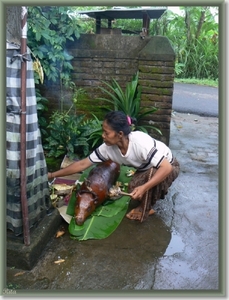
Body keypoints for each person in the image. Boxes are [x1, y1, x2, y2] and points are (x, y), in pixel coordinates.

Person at [48, 110, 180, 222]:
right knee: (133, 188)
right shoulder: (107, 148)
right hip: (146, 168)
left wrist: (145, 187)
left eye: (106, 133)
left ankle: (145, 209)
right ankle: (149, 192)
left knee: (147, 183)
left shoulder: (140, 142)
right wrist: (52, 175)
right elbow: (82, 164)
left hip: (169, 165)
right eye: (103, 132)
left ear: (120, 134)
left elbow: (166, 168)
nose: (103, 136)